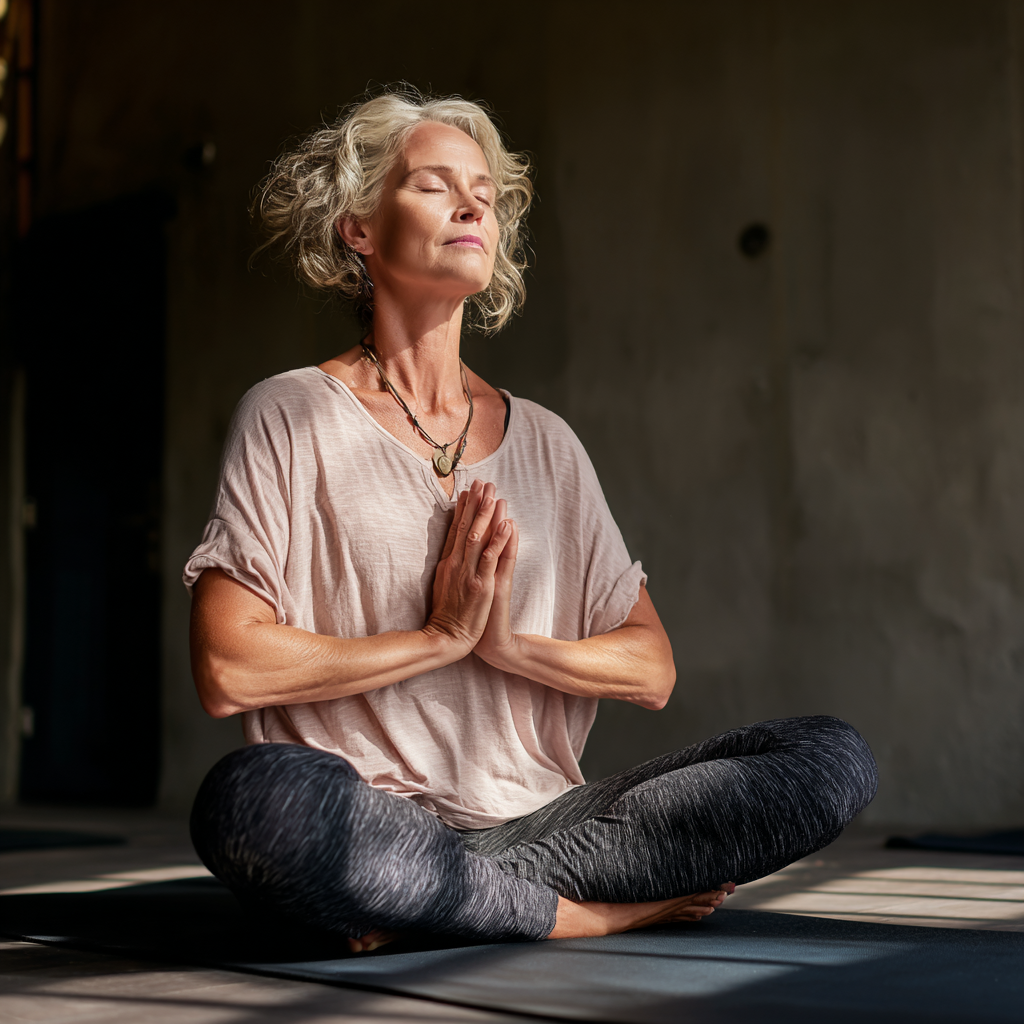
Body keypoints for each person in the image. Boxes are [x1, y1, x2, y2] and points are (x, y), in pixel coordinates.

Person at [185, 87, 877, 953]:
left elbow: (651, 667)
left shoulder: (546, 441)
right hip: (366, 819)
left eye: (484, 190)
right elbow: (228, 666)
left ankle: (436, 905)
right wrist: (438, 638)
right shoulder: (289, 414)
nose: (473, 203)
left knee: (827, 757)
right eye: (435, 185)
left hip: (547, 829)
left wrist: (508, 647)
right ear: (358, 228)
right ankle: (567, 917)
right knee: (254, 802)